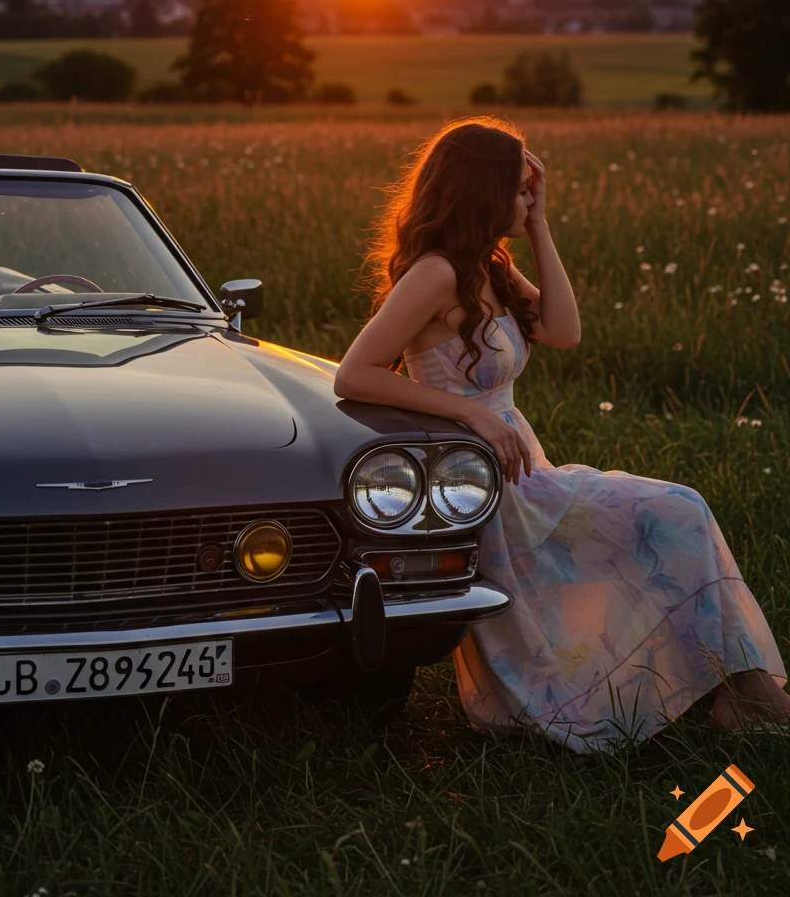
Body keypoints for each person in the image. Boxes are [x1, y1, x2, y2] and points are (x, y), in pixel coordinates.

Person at [333, 115, 789, 752]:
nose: (529, 200)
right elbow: (353, 375)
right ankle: (739, 694)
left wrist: (540, 225)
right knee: (679, 510)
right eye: (521, 191)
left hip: (525, 471)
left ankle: (741, 692)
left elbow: (563, 331)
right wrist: (471, 413)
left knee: (675, 515)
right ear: (483, 191)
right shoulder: (435, 274)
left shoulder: (486, 266)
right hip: (487, 486)